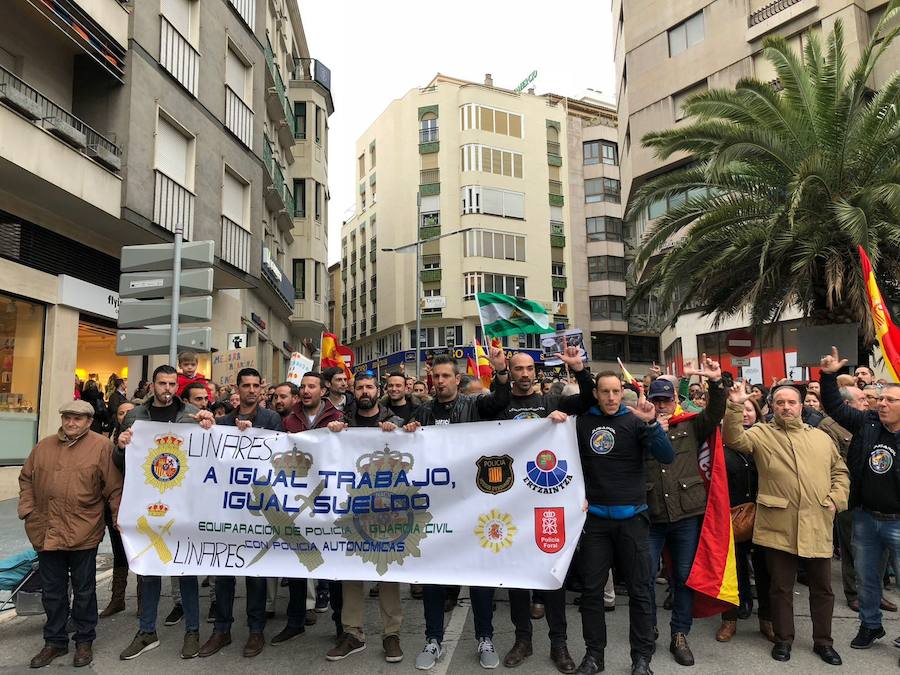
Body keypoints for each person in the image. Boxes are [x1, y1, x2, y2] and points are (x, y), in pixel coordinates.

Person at [724, 381, 849, 665]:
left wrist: (836, 499)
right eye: (780, 402)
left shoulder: (821, 438)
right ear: (772, 406)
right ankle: (783, 639)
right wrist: (734, 405)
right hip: (777, 525)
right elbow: (733, 439)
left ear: (801, 406)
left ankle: (823, 642)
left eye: (791, 402)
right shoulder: (761, 433)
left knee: (823, 588)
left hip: (817, 521)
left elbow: (840, 471)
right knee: (780, 588)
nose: (786, 407)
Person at [403, 348, 510, 671]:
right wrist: (404, 431)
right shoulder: (422, 412)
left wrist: (500, 369)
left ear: (457, 379)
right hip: (435, 511)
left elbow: (501, 401)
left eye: (445, 376)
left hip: (472, 507)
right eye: (435, 377)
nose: (439, 382)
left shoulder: (474, 405)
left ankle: (485, 637)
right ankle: (433, 638)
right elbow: (403, 448)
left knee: (478, 575)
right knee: (434, 576)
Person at [499, 348, 594, 674]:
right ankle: (522, 640)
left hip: (548, 502)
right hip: (511, 506)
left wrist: (580, 370)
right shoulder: (500, 405)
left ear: (536, 373)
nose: (524, 374)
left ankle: (559, 643)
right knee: (516, 577)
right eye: (518, 369)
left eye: (529, 369)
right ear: (510, 372)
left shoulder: (554, 404)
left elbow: (588, 401)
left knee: (553, 575)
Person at [574, 371, 675, 675]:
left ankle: (641, 659)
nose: (610, 397)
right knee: (591, 593)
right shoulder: (582, 423)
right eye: (604, 391)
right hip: (595, 522)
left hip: (632, 520)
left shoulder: (635, 421)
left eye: (615, 391)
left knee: (641, 591)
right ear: (596, 394)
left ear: (622, 392)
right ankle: (594, 657)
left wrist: (652, 424)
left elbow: (666, 456)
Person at [116, 365, 215, 661]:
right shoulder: (135, 416)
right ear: (152, 385)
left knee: (185, 569)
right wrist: (120, 446)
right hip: (147, 503)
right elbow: (121, 462)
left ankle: (193, 631)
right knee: (149, 569)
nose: (167, 388)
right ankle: (147, 631)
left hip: (184, 504)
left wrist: (211, 426)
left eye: (172, 383)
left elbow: (210, 455)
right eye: (162, 383)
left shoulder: (191, 415)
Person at [19, 400, 123, 669]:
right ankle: (54, 641)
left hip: (83, 530)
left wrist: (118, 517)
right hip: (46, 529)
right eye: (67, 417)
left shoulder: (101, 447)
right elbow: (26, 478)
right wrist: (28, 510)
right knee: (52, 592)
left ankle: (84, 640)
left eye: (78, 419)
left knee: (84, 590)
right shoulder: (44, 446)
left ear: (89, 422)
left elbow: (114, 488)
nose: (71, 423)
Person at [819, 347, 900, 663]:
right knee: (867, 579)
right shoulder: (867, 423)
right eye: (880, 399)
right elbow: (836, 407)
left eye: (890, 401)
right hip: (866, 518)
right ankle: (870, 626)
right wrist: (827, 376)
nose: (881, 403)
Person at [644, 355, 726, 667]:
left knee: (683, 577)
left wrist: (716, 383)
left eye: (666, 400)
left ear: (676, 399)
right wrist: (651, 429)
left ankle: (680, 634)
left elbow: (716, 411)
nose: (662, 405)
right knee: (646, 576)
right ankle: (648, 628)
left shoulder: (691, 425)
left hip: (686, 516)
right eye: (657, 400)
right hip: (651, 516)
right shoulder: (642, 427)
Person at [200, 368, 282, 659]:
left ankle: (256, 630)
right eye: (245, 385)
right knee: (224, 571)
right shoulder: (223, 421)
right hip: (228, 511)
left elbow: (278, 458)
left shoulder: (272, 420)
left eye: (255, 385)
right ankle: (221, 629)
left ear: (261, 389)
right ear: (237, 388)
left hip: (257, 509)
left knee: (255, 573)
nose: (250, 390)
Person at [324, 372, 405, 663]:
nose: (364, 391)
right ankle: (353, 632)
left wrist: (400, 432)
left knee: (386, 571)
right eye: (359, 387)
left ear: (377, 390)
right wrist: (332, 434)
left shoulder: (393, 422)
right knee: (352, 573)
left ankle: (391, 633)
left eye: (369, 386)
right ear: (353, 392)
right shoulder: (342, 424)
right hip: (352, 510)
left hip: (386, 510)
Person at [277, 372, 345, 640]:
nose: (305, 390)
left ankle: (342, 626)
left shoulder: (337, 417)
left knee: (335, 562)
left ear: (322, 390)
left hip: (330, 499)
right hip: (298, 499)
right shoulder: (288, 420)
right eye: (302, 386)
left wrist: (343, 433)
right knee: (296, 563)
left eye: (311, 386)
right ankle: (295, 621)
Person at [716, 397, 773, 643]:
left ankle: (767, 620)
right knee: (733, 570)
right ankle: (730, 619)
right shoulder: (720, 445)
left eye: (750, 410)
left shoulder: (768, 441)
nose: (745, 414)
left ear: (758, 414)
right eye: (741, 410)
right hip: (731, 516)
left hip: (765, 516)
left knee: (765, 570)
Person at [99, 400, 135, 619]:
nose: (124, 416)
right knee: (119, 551)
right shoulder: (108, 443)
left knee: (141, 550)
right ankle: (117, 599)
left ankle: (143, 601)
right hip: (114, 504)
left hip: (139, 505)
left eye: (129, 413)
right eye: (121, 413)